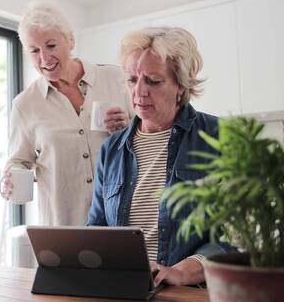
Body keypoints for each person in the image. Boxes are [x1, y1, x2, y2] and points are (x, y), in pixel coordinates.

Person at [86, 26, 233, 286]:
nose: (139, 92)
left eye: (153, 81)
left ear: (181, 85)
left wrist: (181, 272)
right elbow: (97, 229)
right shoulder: (112, 150)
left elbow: (234, 234)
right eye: (132, 80)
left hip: (191, 291)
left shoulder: (218, 137)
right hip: (124, 288)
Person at [0, 1, 133, 226]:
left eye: (51, 45)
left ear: (70, 40)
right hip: (65, 224)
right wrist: (10, 178)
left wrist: (128, 127)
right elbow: (18, 161)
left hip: (123, 219)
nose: (44, 58)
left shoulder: (117, 78)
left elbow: (151, 137)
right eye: (34, 51)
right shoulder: (25, 104)